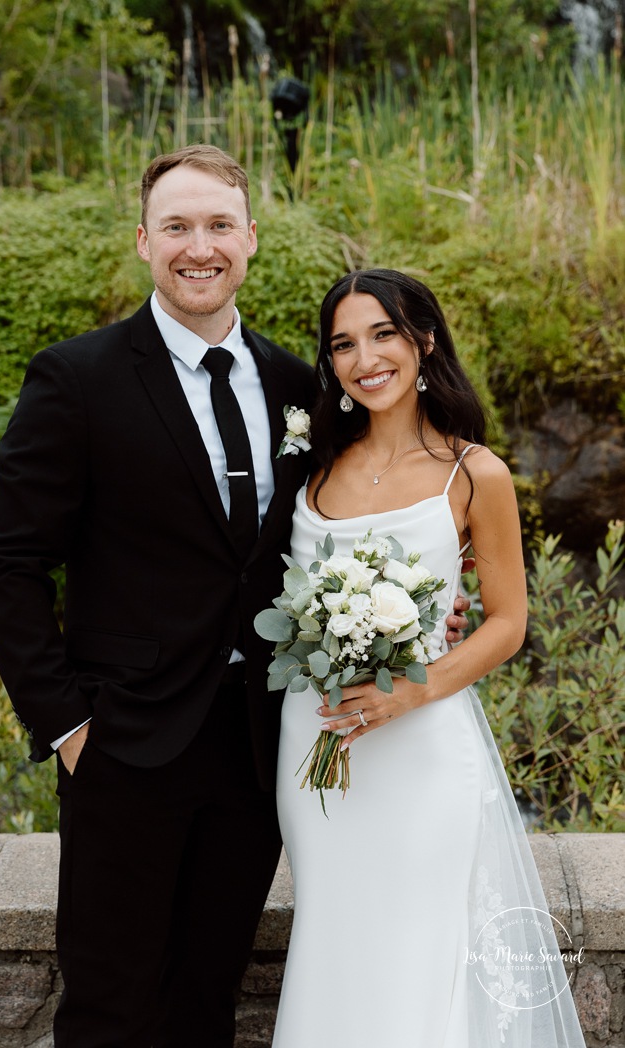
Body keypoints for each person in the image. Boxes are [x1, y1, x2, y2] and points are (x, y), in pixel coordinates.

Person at [0, 148, 469, 1048]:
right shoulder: (76, 379)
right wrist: (71, 730)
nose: (197, 247)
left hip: (258, 743)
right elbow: (7, 565)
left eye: (216, 226)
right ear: (142, 243)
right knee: (110, 1005)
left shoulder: (297, 386)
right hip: (123, 745)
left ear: (249, 240)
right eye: (176, 227)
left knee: (206, 999)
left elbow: (351, 522)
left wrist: (425, 611)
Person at [272, 269, 587, 1048]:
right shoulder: (309, 463)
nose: (364, 357)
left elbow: (507, 623)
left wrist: (408, 691)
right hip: (313, 742)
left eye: (382, 334)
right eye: (343, 343)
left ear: (423, 340)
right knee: (334, 934)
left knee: (419, 947)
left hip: (420, 747)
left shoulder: (472, 471)